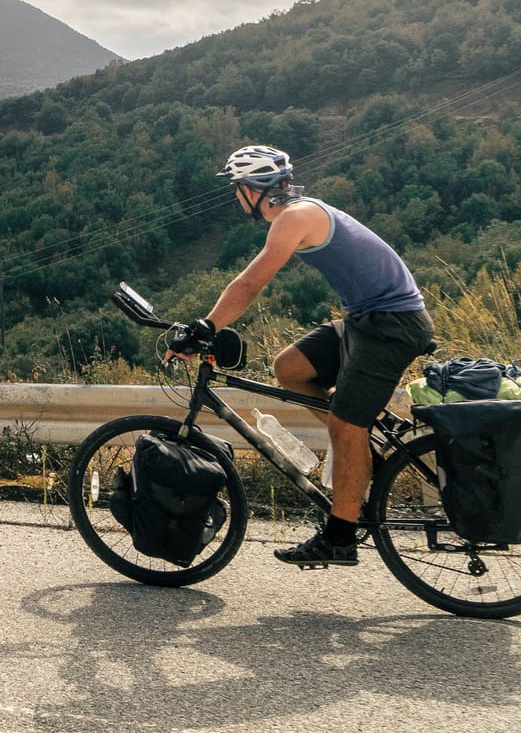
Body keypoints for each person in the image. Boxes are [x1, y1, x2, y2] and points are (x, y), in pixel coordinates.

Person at [164, 145, 435, 567]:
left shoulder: (295, 217)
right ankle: (361, 455)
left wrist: (205, 327)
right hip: (368, 319)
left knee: (347, 425)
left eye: (238, 188)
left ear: (252, 190)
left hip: (391, 324)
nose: (237, 197)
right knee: (290, 369)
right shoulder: (300, 213)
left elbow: (250, 283)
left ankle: (340, 538)